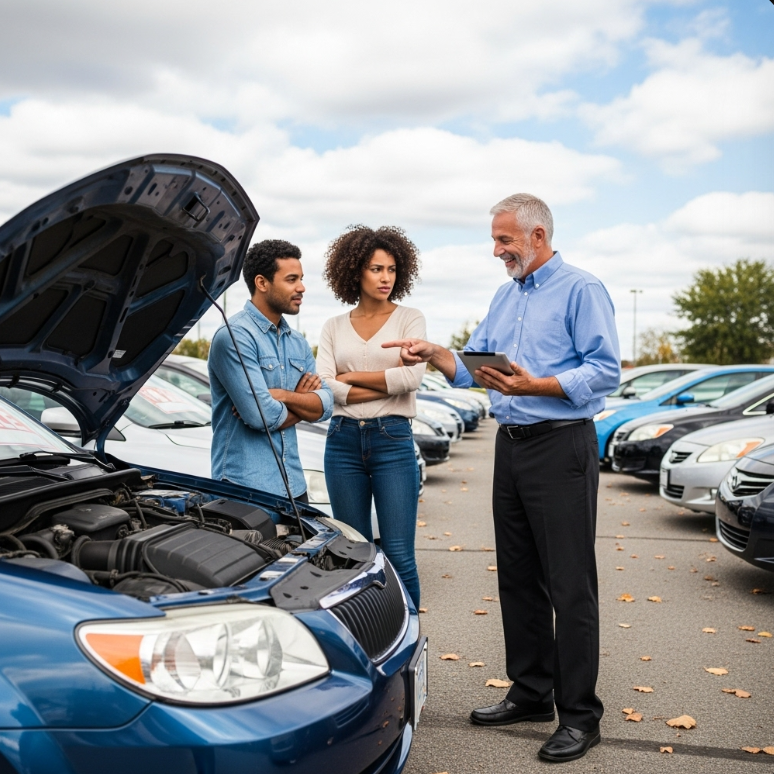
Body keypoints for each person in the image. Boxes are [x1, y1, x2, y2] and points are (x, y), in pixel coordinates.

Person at [383, 194, 620, 763]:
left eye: (505, 240)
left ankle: (581, 716)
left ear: (537, 236)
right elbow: (475, 365)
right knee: (517, 577)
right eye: (495, 240)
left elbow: (604, 369)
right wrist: (436, 352)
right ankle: (533, 692)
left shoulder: (582, 289)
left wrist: (538, 387)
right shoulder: (505, 294)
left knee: (569, 584)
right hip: (510, 450)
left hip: (561, 448)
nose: (497, 251)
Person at [316, 225, 425, 607]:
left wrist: (350, 378)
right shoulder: (333, 326)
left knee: (398, 553)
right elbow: (325, 386)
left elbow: (411, 378)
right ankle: (364, 640)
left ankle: (410, 643)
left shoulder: (410, 318)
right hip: (342, 441)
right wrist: (383, 382)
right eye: (377, 269)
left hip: (392, 440)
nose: (385, 278)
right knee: (352, 552)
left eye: (392, 269)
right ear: (355, 271)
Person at [209, 239, 333, 500]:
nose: (302, 287)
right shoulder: (234, 337)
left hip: (294, 487)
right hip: (244, 487)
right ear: (262, 283)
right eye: (291, 279)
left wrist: (284, 396)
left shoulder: (297, 342)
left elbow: (326, 406)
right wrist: (303, 405)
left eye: (300, 278)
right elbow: (260, 418)